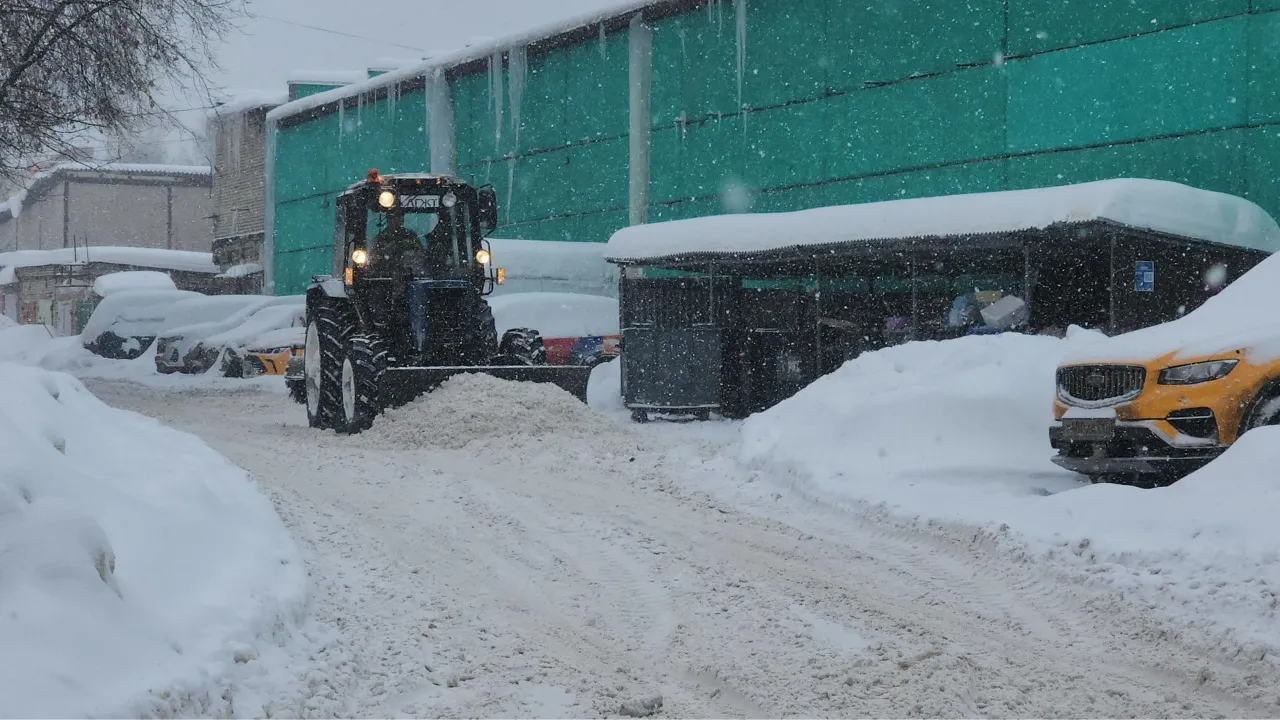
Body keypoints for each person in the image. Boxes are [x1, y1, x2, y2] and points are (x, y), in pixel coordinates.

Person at [367, 212, 427, 278]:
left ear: (402, 220)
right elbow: (372, 260)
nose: (396, 221)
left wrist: (408, 259)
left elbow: (421, 256)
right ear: (388, 220)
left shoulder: (411, 236)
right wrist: (386, 251)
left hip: (411, 276)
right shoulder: (380, 239)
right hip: (385, 278)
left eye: (399, 218)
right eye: (392, 218)